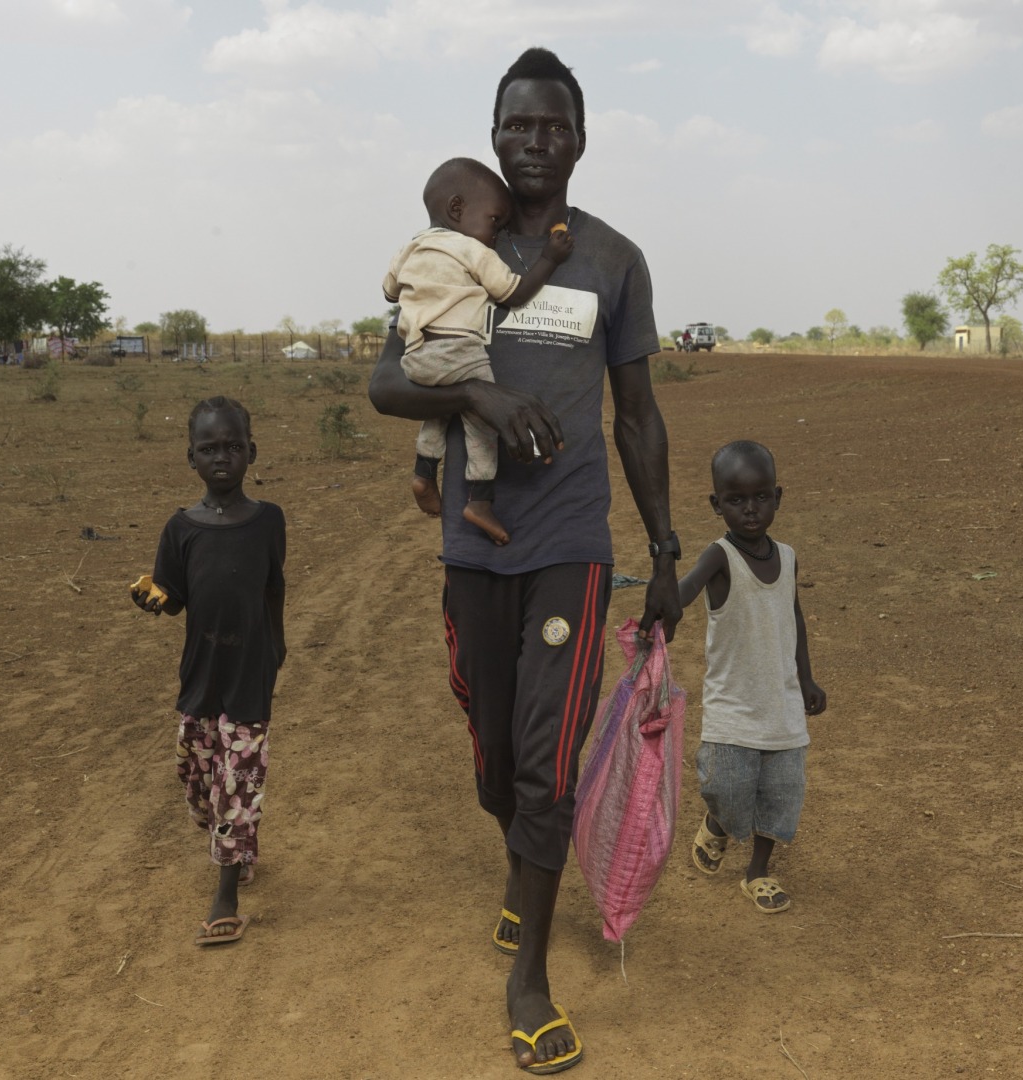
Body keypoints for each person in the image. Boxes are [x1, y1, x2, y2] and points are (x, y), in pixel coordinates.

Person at [369, 46, 680, 1075]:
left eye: (554, 127)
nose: (536, 143)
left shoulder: (615, 261)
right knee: (496, 755)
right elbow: (385, 383)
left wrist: (668, 547)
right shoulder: (446, 245)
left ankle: (529, 979)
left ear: (580, 141)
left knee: (546, 763)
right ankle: (520, 858)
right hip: (475, 539)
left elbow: (638, 416)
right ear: (494, 135)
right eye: (519, 126)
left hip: (571, 546)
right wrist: (481, 397)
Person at [130, 395, 287, 946]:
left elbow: (274, 587)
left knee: (238, 783)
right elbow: (173, 597)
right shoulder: (180, 529)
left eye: (233, 446)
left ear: (251, 451)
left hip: (250, 674)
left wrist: (279, 644)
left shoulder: (269, 520)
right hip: (200, 677)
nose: (223, 457)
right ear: (190, 457)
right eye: (209, 448)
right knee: (199, 782)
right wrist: (155, 601)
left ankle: (226, 896)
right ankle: (235, 841)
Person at [384, 157, 575, 546]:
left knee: (445, 406)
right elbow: (516, 293)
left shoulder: (410, 248)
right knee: (483, 418)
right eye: (494, 222)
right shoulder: (472, 251)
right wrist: (549, 258)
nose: (496, 234)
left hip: (417, 356)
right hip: (459, 350)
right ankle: (480, 499)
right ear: (458, 210)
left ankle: (424, 471)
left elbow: (389, 291)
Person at [676, 440, 827, 913]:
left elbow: (794, 617)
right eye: (736, 500)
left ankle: (758, 873)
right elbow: (686, 590)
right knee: (726, 786)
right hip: (733, 704)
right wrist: (665, 596)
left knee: (781, 795)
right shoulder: (719, 556)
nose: (750, 510)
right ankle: (718, 825)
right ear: (716, 503)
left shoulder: (788, 555)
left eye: (761, 497)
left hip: (780, 701)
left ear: (778, 497)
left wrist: (806, 679)